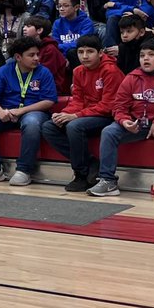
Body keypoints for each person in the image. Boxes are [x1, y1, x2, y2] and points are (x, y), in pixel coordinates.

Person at [91, 37, 154, 206]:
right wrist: (124, 121)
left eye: (151, 55)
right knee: (109, 131)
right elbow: (119, 107)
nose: (145, 58)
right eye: (142, 55)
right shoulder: (131, 78)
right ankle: (107, 181)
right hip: (138, 123)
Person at [39, 34, 122, 191]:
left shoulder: (111, 71)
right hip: (86, 114)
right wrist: (63, 114)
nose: (84, 56)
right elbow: (77, 100)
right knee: (49, 126)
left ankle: (80, 174)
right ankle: (91, 163)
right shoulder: (78, 71)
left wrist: (75, 115)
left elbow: (108, 105)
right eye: (80, 52)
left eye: (90, 51)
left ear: (100, 53)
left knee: (74, 126)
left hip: (108, 116)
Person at [0, 36, 58, 185]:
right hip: (7, 111)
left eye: (38, 54)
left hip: (34, 112)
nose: (36, 58)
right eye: (31, 55)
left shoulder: (44, 72)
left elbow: (48, 101)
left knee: (31, 123)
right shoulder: (5, 70)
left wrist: (21, 111)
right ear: (18, 57)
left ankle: (24, 170)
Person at [23, 15, 69, 94]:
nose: (24, 28)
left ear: (39, 30)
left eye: (28, 26)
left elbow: (46, 74)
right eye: (24, 26)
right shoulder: (28, 46)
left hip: (49, 88)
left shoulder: (50, 49)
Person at [50, 0, 95, 69]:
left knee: (72, 52)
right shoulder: (57, 23)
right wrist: (63, 57)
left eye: (66, 6)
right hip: (62, 55)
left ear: (76, 7)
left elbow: (81, 43)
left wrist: (61, 47)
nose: (61, 9)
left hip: (80, 55)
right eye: (59, 6)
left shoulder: (86, 23)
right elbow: (55, 44)